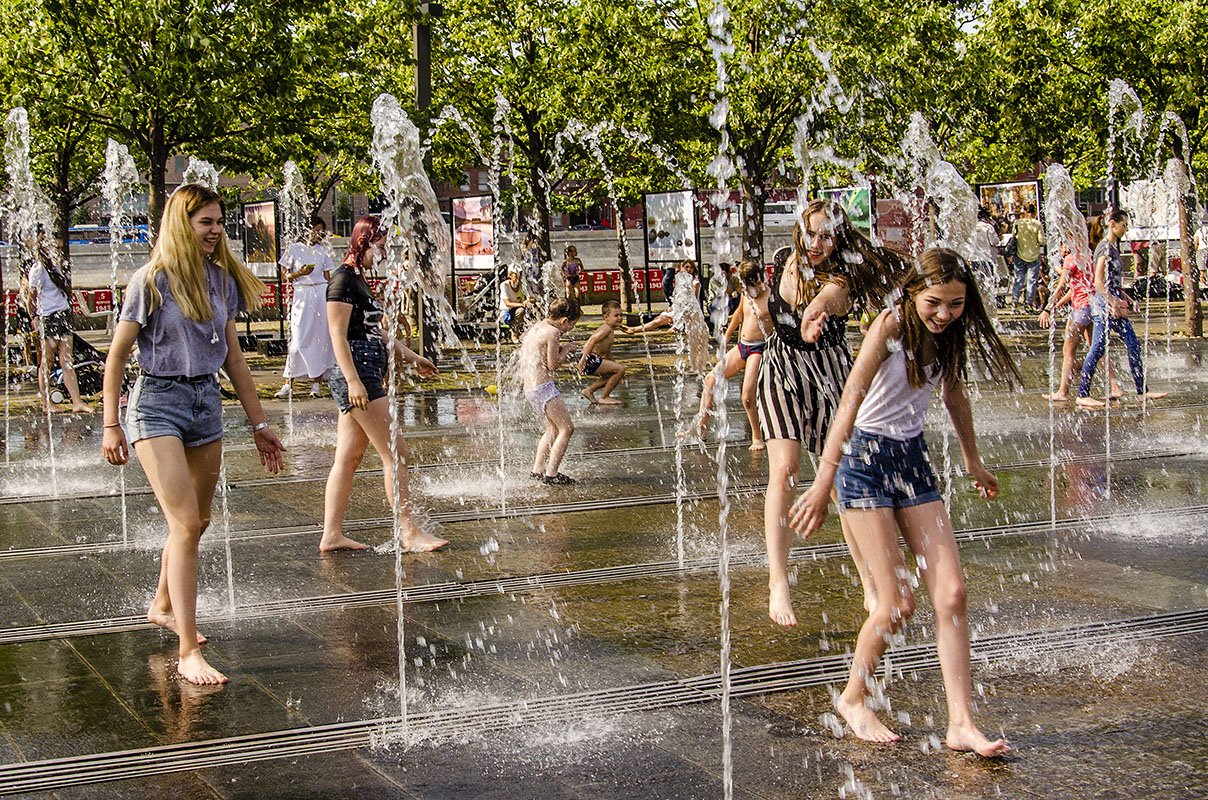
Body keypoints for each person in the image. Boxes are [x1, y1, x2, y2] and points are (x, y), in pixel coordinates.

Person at [789, 247, 1016, 757]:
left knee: (952, 593)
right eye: (935, 302)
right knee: (896, 604)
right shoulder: (890, 326)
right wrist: (822, 483)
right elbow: (849, 399)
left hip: (912, 460)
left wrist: (973, 460)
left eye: (956, 304)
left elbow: (954, 395)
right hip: (862, 460)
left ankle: (961, 722)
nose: (944, 314)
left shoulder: (951, 334)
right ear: (915, 293)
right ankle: (853, 698)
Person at [100, 183, 286, 685]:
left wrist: (260, 424)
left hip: (205, 403)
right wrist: (111, 424)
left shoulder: (221, 280)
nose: (216, 231)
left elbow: (233, 357)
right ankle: (187, 650)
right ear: (183, 224)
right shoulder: (151, 280)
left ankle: (162, 604)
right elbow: (117, 355)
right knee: (184, 524)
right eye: (206, 222)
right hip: (156, 404)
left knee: (198, 522)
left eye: (220, 222)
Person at [758, 199, 905, 627]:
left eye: (826, 235)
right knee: (784, 472)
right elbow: (780, 307)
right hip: (781, 370)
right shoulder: (785, 259)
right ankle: (779, 581)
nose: (816, 243)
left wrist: (810, 317)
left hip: (829, 376)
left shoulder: (842, 278)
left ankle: (869, 583)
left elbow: (822, 301)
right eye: (811, 233)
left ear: (838, 238)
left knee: (840, 481)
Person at [321, 216, 446, 553]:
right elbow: (337, 334)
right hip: (358, 374)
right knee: (397, 453)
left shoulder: (359, 280)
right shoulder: (343, 280)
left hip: (366, 370)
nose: (384, 252)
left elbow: (377, 332)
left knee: (348, 458)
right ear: (364, 242)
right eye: (380, 246)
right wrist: (353, 381)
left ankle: (331, 535)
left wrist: (412, 357)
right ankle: (409, 532)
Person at [1076, 210, 1168, 408]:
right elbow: (1098, 282)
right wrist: (1112, 301)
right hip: (1104, 307)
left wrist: (1128, 298)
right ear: (1112, 224)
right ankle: (1082, 393)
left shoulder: (1113, 248)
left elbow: (1113, 284)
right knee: (1097, 349)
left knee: (1133, 344)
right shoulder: (1105, 248)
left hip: (1113, 304)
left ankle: (1142, 391)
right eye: (1124, 225)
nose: (1125, 229)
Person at [698, 259, 772, 450]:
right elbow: (739, 314)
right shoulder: (747, 295)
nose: (746, 291)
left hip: (760, 348)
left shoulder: (772, 297)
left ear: (758, 281)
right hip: (743, 346)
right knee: (710, 380)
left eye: (748, 286)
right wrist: (727, 336)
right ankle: (702, 425)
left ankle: (757, 437)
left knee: (747, 396)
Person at [1039, 242, 1121, 402]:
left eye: (1061, 246)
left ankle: (1063, 391)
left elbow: (1062, 285)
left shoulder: (1071, 259)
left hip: (1080, 310)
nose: (1060, 250)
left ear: (1068, 244)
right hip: (1093, 307)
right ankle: (1115, 386)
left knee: (1068, 351)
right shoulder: (1088, 257)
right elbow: (1075, 288)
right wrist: (1059, 304)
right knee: (1097, 348)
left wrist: (1048, 309)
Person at [24, 229, 91, 413]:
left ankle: (76, 401)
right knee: (47, 361)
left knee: (66, 360)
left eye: (60, 247)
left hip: (63, 314)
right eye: (55, 246)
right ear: (44, 246)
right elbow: (31, 297)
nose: (58, 250)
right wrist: (35, 318)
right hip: (49, 316)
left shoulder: (57, 265)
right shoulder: (38, 269)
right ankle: (47, 403)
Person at [521, 298, 581, 485]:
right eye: (571, 325)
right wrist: (567, 350)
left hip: (530, 388)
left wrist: (558, 349)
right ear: (564, 320)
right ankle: (552, 474)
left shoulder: (538, 327)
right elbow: (553, 365)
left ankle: (537, 470)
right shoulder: (554, 332)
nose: (569, 329)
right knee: (567, 428)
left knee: (552, 428)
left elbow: (539, 354)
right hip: (543, 388)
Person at [275, 218, 336, 399]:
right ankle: (288, 382)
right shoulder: (294, 249)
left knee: (320, 338)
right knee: (298, 340)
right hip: (303, 293)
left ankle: (316, 384)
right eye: (314, 230)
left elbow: (327, 276)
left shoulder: (322, 250)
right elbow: (285, 275)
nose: (317, 235)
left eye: (320, 231)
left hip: (320, 292)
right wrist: (300, 273)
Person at [578, 299, 626, 405]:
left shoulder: (610, 330)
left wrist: (619, 373)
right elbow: (591, 341)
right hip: (590, 359)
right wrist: (583, 360)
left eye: (621, 315)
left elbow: (607, 353)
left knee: (613, 373)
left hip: (593, 359)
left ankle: (589, 391)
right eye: (616, 315)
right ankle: (604, 397)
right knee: (620, 369)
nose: (619, 318)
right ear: (606, 317)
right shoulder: (606, 329)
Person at [1009, 202, 1044, 308]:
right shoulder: (1037, 224)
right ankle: (1028, 303)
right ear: (1034, 212)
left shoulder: (1017, 223)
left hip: (1019, 255)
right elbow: (1042, 240)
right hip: (1033, 256)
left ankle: (1014, 301)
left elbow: (1013, 237)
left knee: (1018, 279)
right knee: (1031, 280)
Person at [498, 266, 532, 344]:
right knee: (521, 310)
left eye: (520, 275)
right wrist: (522, 304)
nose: (519, 278)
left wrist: (529, 301)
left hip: (520, 307)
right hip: (507, 312)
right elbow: (508, 303)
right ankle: (514, 334)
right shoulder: (504, 285)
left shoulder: (523, 284)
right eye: (516, 275)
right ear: (510, 276)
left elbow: (532, 298)